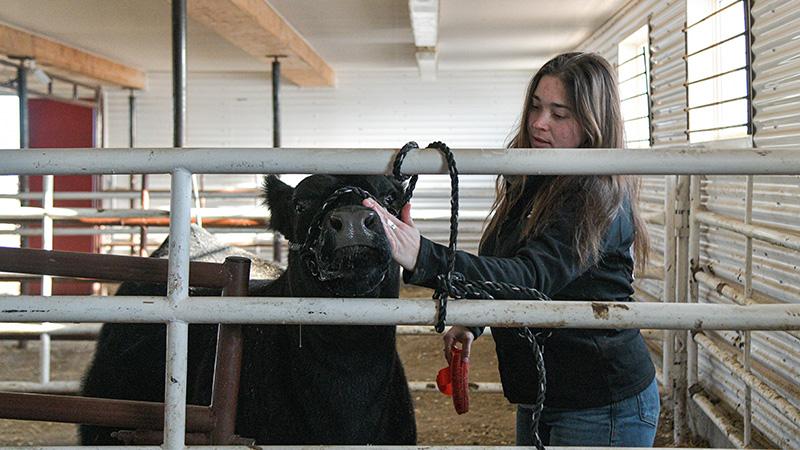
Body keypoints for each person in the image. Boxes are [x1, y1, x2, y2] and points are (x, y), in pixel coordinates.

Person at [363, 52, 659, 447]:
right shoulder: (535, 176)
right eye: (536, 107)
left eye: (560, 114)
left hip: (599, 402)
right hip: (543, 394)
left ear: (592, 124)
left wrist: (423, 255)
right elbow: (508, 266)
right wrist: (476, 320)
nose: (539, 123)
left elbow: (530, 279)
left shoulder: (598, 196)